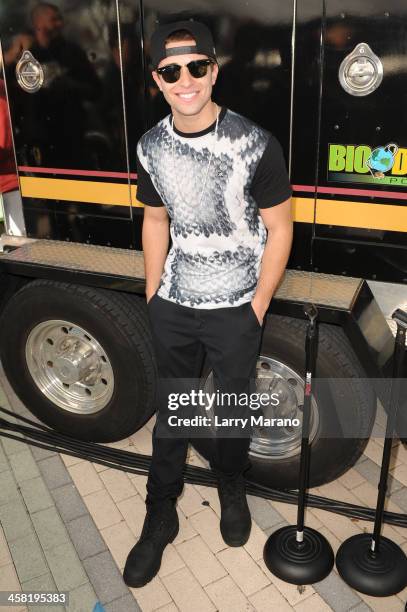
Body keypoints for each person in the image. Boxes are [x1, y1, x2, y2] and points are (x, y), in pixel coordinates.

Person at [123, 19, 293, 588]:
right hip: (173, 302)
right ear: (158, 80)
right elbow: (154, 219)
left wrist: (257, 305)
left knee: (232, 414)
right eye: (172, 71)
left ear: (214, 71)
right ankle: (160, 513)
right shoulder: (150, 145)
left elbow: (280, 227)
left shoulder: (254, 142)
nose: (186, 80)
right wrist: (153, 293)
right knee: (173, 414)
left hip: (237, 308)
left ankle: (231, 485)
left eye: (197, 67)